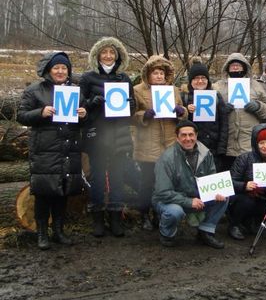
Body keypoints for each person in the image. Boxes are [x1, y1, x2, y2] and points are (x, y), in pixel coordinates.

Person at [17, 52, 87, 249]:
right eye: (56, 68)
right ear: (49, 70)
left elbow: (83, 122)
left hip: (68, 148)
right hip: (45, 149)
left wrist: (84, 114)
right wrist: (41, 112)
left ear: (68, 71)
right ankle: (42, 234)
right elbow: (21, 116)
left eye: (64, 68)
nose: (60, 71)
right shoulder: (35, 90)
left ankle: (58, 231)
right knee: (44, 192)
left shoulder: (76, 91)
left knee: (62, 192)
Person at [80, 37, 136, 238]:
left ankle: (115, 217)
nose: (108, 56)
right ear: (97, 55)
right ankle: (97, 218)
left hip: (119, 135)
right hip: (97, 135)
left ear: (118, 55)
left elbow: (132, 110)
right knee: (96, 178)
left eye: (112, 52)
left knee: (117, 177)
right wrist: (92, 103)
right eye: (104, 52)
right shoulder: (87, 78)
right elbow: (80, 108)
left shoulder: (124, 79)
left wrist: (128, 104)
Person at [152, 120, 228, 249]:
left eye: (191, 135)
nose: (188, 139)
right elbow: (162, 192)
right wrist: (188, 201)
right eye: (184, 135)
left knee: (224, 196)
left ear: (196, 135)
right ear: (177, 138)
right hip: (169, 200)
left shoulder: (205, 153)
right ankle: (167, 233)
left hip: (196, 197)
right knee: (174, 212)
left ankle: (205, 232)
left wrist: (217, 192)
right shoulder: (167, 158)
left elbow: (212, 179)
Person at [132, 55, 187, 230]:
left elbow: (184, 114)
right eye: (155, 73)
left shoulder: (174, 90)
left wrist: (181, 111)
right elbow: (131, 116)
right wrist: (144, 115)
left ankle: (159, 212)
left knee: (165, 184)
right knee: (146, 183)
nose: (159, 76)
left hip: (169, 144)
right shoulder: (137, 90)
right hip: (148, 144)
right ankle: (143, 214)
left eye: (161, 73)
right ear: (148, 74)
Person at [214, 53, 266, 170]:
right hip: (226, 144)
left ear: (245, 67)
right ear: (227, 68)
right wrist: (221, 110)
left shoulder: (255, 86)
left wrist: (258, 106)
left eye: (238, 65)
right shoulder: (217, 87)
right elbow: (208, 112)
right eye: (232, 66)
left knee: (248, 182)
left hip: (249, 144)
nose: (235, 68)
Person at [227, 124, 266, 240]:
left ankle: (253, 221)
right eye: (262, 143)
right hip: (242, 198)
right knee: (247, 202)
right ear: (255, 143)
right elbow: (230, 182)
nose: (265, 146)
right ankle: (234, 224)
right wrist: (245, 186)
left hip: (263, 198)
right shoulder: (244, 158)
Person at [181, 57, 229, 172]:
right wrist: (186, 110)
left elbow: (224, 124)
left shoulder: (216, 96)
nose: (200, 81)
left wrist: (221, 148)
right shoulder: (184, 97)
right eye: (196, 78)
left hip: (213, 149)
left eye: (203, 78)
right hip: (191, 147)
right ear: (190, 81)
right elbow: (178, 123)